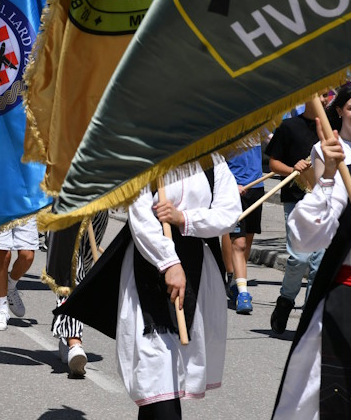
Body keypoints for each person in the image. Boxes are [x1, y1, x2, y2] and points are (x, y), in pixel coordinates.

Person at [58, 155, 241, 418]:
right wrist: (169, 262)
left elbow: (229, 213)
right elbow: (140, 216)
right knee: (158, 386)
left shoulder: (213, 159)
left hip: (196, 273)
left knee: (166, 391)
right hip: (148, 270)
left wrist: (184, 218)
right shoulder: (148, 151)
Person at [273, 89, 351, 419]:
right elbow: (312, 232)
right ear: (340, 111)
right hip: (346, 292)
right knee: (336, 394)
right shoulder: (327, 150)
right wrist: (329, 172)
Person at [266, 90, 332, 333]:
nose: (323, 99)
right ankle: (285, 301)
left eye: (327, 95)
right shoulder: (289, 127)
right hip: (296, 199)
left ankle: (310, 315)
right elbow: (273, 164)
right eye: (319, 94)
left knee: (319, 261)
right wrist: (292, 167)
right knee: (299, 258)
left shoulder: (332, 127)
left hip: (325, 201)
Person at [48, 211, 109, 378]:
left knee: (84, 264)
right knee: (71, 269)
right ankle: (74, 341)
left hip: (100, 202)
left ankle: (65, 331)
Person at [223, 145, 264, 314]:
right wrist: (230, 183)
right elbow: (214, 160)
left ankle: (237, 283)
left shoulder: (259, 125)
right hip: (233, 190)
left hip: (256, 188)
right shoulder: (227, 128)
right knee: (238, 243)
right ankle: (243, 293)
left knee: (246, 241)